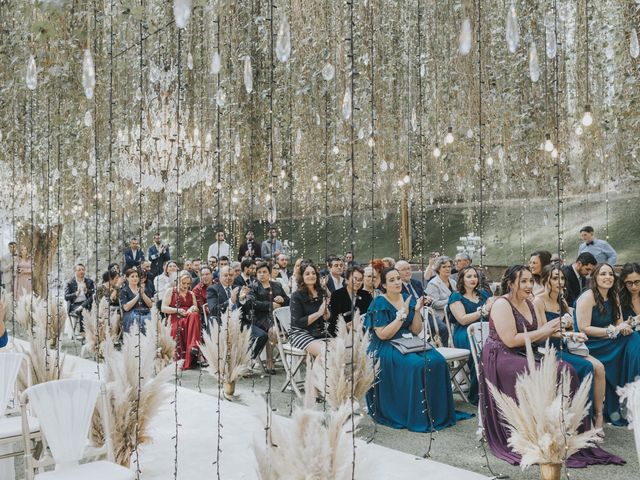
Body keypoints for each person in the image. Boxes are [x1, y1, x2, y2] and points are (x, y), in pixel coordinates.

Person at [480, 265, 622, 467]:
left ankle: (563, 434)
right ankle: (536, 431)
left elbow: (540, 334)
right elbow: (511, 340)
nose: (529, 285)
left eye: (531, 280)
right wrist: (546, 328)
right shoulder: (502, 304)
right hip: (502, 356)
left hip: (527, 351)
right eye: (523, 281)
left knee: (567, 369)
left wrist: (563, 331)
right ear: (511, 283)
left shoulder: (529, 303)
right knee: (551, 372)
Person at [365, 267, 470, 432]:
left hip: (410, 340)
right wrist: (401, 315)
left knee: (438, 361)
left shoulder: (407, 297)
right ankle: (414, 413)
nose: (397, 282)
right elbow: (383, 334)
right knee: (416, 365)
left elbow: (415, 329)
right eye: (391, 280)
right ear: (384, 285)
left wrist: (415, 311)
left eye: (398, 278)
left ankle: (437, 412)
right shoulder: (379, 302)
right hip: (386, 346)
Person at [533, 264, 605, 429]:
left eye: (562, 278)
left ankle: (596, 415)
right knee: (587, 367)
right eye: (555, 278)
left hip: (567, 346)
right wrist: (568, 333)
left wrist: (571, 327)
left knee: (598, 367)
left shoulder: (562, 301)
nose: (560, 281)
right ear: (546, 280)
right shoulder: (539, 301)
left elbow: (570, 330)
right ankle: (583, 421)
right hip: (548, 349)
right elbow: (543, 332)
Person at [575, 263, 640, 425]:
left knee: (634, 338)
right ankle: (629, 390)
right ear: (595, 277)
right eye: (603, 274)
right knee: (633, 342)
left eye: (610, 274)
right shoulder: (588, 296)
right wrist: (613, 331)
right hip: (590, 344)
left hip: (609, 341)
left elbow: (619, 324)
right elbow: (584, 328)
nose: (607, 277)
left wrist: (627, 326)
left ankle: (629, 396)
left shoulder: (614, 296)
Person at [448, 266, 494, 404]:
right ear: (462, 279)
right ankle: (478, 394)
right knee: (482, 354)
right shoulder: (456, 296)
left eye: (475, 276)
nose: (473, 279)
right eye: (469, 276)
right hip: (465, 333)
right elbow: (462, 319)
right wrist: (483, 310)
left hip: (486, 330)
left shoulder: (484, 294)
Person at [245, 262, 289, 371]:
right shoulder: (253, 287)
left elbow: (288, 301)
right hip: (260, 318)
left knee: (280, 328)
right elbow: (252, 303)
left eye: (264, 272)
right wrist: (270, 305)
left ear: (269, 273)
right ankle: (269, 359)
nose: (262, 274)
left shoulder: (277, 286)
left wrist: (283, 299)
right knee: (273, 331)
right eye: (259, 272)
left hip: (277, 318)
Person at [289, 261, 332, 358]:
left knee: (339, 348)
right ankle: (315, 374)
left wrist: (326, 313)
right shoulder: (296, 296)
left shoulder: (321, 292)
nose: (311, 276)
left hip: (319, 331)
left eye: (313, 273)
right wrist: (319, 313)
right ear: (302, 277)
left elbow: (327, 318)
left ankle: (323, 373)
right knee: (324, 352)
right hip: (300, 333)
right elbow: (298, 322)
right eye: (307, 274)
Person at [161, 270, 202, 370]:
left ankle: (193, 346)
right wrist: (177, 310)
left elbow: (196, 308)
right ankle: (193, 346)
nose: (186, 286)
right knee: (192, 318)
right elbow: (163, 308)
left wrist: (192, 308)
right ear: (178, 281)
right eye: (183, 283)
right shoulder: (171, 291)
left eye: (188, 284)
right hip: (175, 318)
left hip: (189, 319)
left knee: (195, 315)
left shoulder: (191, 293)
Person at [425, 255, 455, 346]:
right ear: (438, 269)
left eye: (449, 266)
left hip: (453, 313)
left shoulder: (453, 282)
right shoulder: (433, 283)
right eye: (444, 267)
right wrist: (451, 301)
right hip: (439, 316)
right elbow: (434, 304)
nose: (447, 269)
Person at [329, 265, 372, 330]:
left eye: (360, 280)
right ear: (346, 280)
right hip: (340, 332)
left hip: (361, 331)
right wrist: (345, 326)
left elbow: (370, 316)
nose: (357, 282)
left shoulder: (366, 295)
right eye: (354, 279)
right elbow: (334, 318)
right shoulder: (336, 295)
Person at [64, 264, 96, 333]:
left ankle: (95, 333)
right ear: (75, 271)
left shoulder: (89, 281)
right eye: (79, 270)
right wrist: (75, 294)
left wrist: (87, 291)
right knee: (83, 311)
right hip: (74, 305)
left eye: (83, 270)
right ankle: (83, 333)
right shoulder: (69, 283)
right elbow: (66, 297)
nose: (82, 271)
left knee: (92, 298)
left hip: (87, 303)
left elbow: (94, 292)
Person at [120, 268, 153, 334]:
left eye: (136, 276)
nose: (135, 278)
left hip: (144, 312)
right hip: (130, 314)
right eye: (132, 276)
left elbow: (150, 305)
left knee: (152, 318)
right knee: (140, 318)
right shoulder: (124, 291)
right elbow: (126, 308)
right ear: (127, 278)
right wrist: (138, 295)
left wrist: (143, 294)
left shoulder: (144, 289)